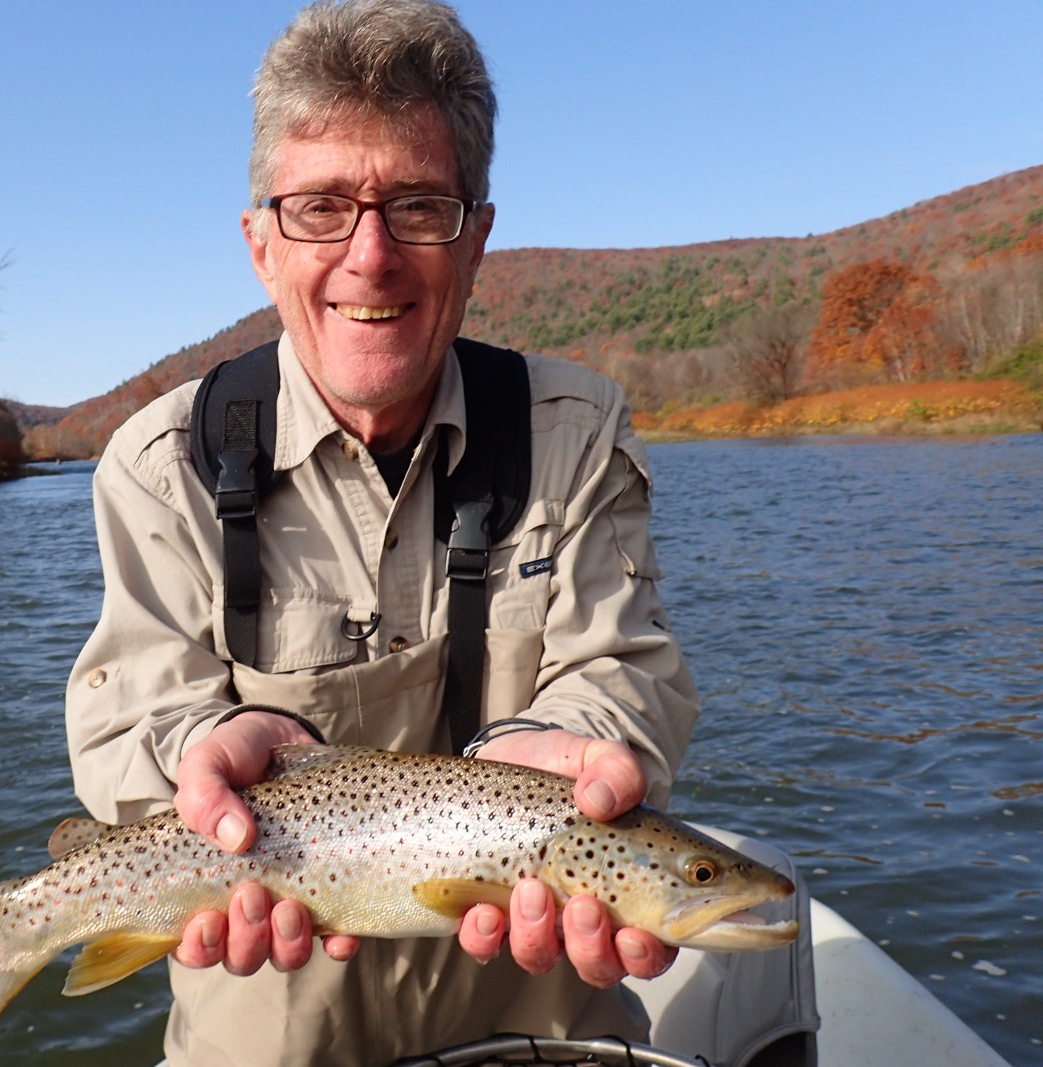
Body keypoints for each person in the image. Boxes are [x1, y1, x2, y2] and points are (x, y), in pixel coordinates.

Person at [65, 2, 700, 1063]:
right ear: (260, 245)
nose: (371, 256)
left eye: (417, 205)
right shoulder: (156, 459)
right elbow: (126, 719)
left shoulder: (576, 429)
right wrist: (196, 764)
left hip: (540, 1018)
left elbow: (624, 667)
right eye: (319, 208)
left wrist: (564, 767)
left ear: (477, 236)